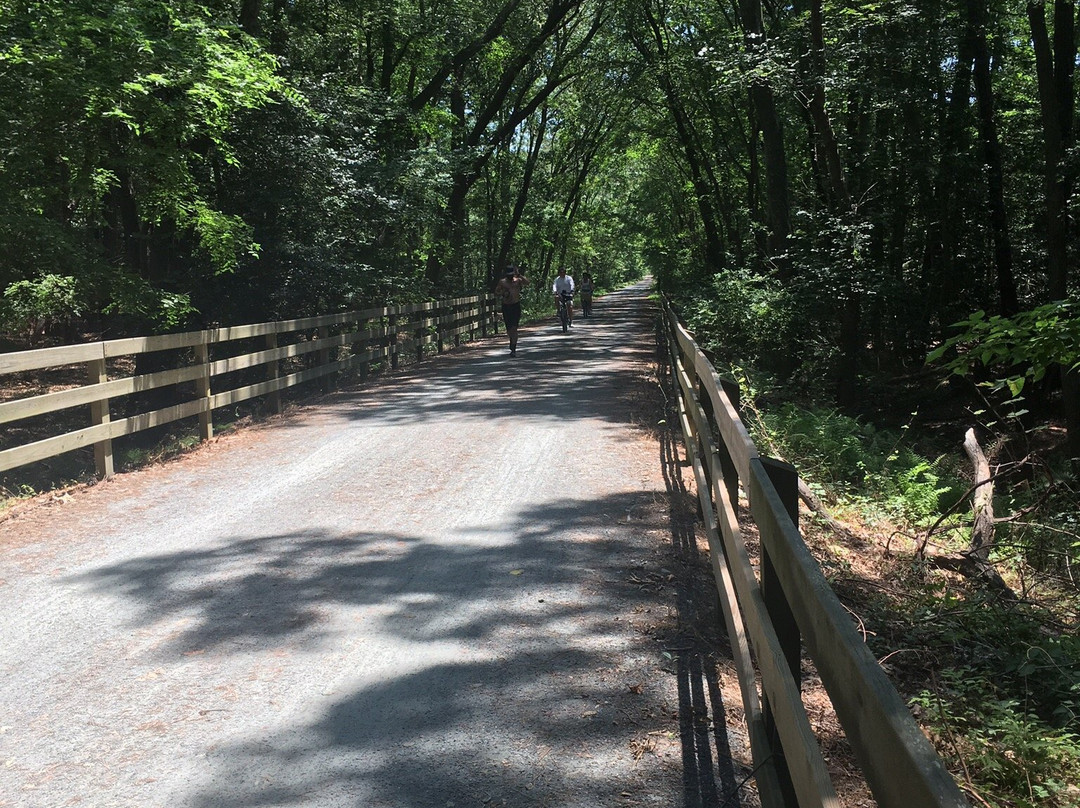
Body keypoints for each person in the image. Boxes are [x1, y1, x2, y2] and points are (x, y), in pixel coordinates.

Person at [493, 265, 528, 355]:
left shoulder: (517, 280)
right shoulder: (502, 282)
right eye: (508, 274)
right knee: (509, 328)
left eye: (511, 274)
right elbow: (496, 292)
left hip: (516, 305)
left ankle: (513, 348)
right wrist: (503, 293)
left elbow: (527, 282)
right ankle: (511, 340)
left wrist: (519, 275)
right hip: (506, 306)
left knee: (514, 327)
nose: (510, 276)